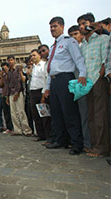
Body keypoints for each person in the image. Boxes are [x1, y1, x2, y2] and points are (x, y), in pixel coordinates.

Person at [43, 16, 86, 155]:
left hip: (66, 79)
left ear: (62, 26)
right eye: (51, 27)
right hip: (55, 81)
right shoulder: (53, 46)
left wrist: (82, 75)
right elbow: (51, 69)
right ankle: (61, 140)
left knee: (69, 112)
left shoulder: (69, 42)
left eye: (55, 26)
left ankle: (76, 143)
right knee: (56, 113)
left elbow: (78, 59)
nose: (52, 29)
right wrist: (48, 87)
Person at [78, 13, 110, 157]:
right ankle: (94, 145)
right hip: (87, 83)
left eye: (84, 23)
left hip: (99, 80)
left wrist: (100, 78)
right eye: (80, 24)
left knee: (100, 116)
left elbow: (105, 62)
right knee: (91, 116)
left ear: (92, 23)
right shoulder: (82, 45)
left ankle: (102, 148)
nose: (81, 27)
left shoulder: (103, 39)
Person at [29, 49, 51, 141]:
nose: (32, 57)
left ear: (39, 55)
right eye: (31, 56)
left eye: (34, 55)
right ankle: (40, 135)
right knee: (35, 115)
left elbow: (46, 79)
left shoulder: (44, 65)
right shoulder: (33, 67)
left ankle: (48, 136)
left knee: (44, 115)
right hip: (33, 91)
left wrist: (44, 93)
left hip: (41, 91)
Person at [7, 56, 32, 136]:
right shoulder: (9, 72)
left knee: (21, 111)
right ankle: (17, 130)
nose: (10, 62)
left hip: (18, 92)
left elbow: (20, 81)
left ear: (14, 60)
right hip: (11, 93)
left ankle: (26, 130)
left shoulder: (18, 69)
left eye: (11, 60)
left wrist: (17, 93)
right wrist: (7, 96)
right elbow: (8, 84)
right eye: (9, 60)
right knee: (13, 113)